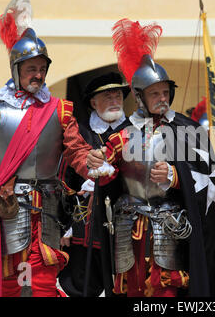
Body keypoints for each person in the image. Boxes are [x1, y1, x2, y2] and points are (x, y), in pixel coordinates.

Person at [0, 0, 98, 297]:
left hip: (47, 210)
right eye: (31, 68)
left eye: (42, 68)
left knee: (42, 283)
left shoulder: (60, 111)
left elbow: (76, 151)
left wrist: (94, 163)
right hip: (5, 211)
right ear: (16, 69)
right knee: (10, 284)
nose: (38, 75)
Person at [87, 18, 215, 297]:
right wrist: (101, 164)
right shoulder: (123, 131)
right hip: (130, 233)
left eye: (166, 92)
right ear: (139, 97)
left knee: (169, 293)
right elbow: (111, 179)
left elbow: (211, 182)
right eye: (155, 93)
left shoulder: (189, 129)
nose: (162, 98)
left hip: (173, 232)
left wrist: (176, 177)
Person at [58, 72, 130, 297]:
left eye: (117, 95)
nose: (114, 101)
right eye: (107, 96)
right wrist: (64, 225)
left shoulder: (134, 131)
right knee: (81, 285)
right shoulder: (79, 132)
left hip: (124, 223)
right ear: (93, 102)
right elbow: (65, 180)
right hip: (84, 225)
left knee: (125, 285)